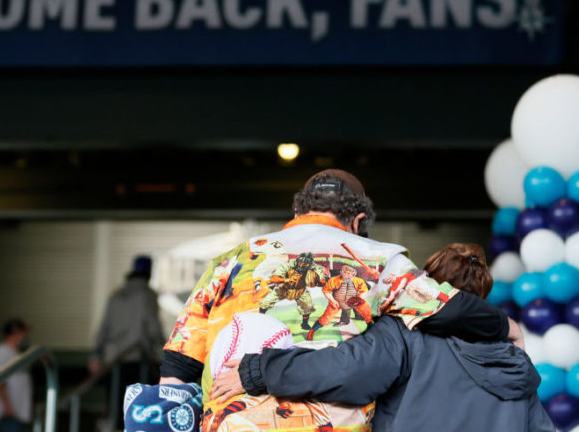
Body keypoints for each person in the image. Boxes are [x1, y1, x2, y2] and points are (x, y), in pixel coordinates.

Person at [158, 170, 521, 432]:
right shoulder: (379, 258)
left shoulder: (232, 260)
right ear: (358, 220)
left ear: (298, 211)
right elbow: (448, 309)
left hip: (231, 422)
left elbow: (178, 364)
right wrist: (509, 327)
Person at [211, 243, 555, 432]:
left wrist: (257, 371)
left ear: (425, 288)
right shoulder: (514, 360)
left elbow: (341, 371)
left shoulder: (403, 336)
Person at [89, 255, 164, 376]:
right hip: (137, 359)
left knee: (115, 394)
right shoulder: (147, 296)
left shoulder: (116, 296)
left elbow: (104, 327)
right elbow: (153, 328)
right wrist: (164, 353)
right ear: (149, 272)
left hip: (112, 360)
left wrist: (95, 355)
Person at [0, 319, 32, 432]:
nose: (23, 336)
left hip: (19, 412)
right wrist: (7, 405)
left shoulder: (17, 352)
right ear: (14, 332)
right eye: (21, 333)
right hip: (6, 413)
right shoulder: (1, 351)